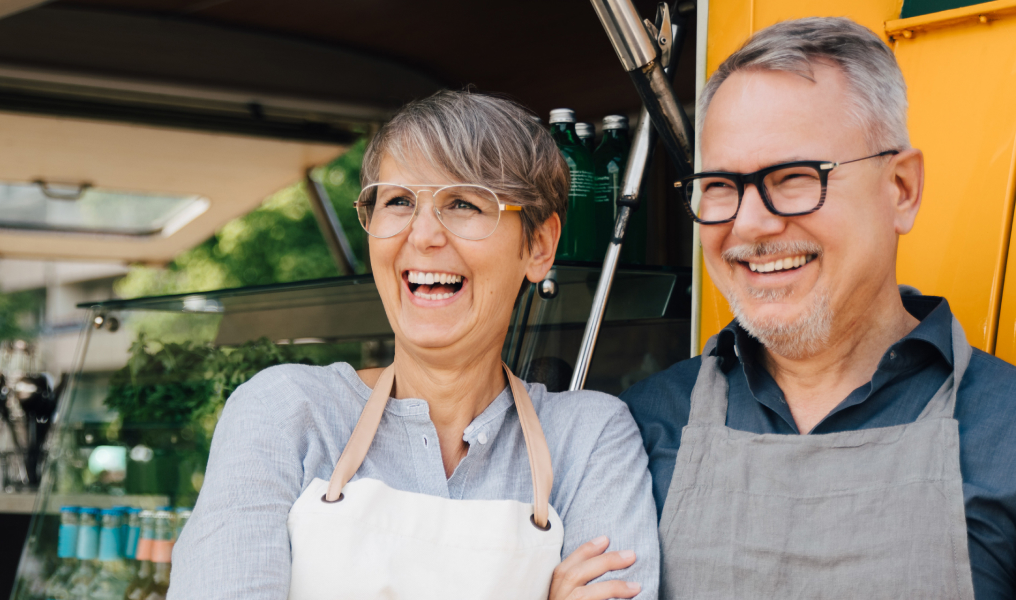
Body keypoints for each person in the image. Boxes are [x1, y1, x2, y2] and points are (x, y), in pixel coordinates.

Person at [618, 17, 1016, 599]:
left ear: (901, 189)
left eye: (795, 177)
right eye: (720, 185)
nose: (748, 223)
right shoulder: (636, 432)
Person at [170, 90, 659, 600]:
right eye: (398, 201)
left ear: (539, 246)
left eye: (465, 203)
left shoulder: (590, 438)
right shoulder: (283, 411)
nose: (422, 235)